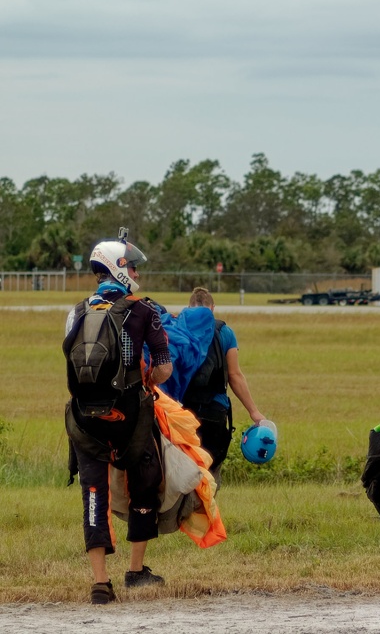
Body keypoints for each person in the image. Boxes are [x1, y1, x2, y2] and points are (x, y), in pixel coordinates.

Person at [63, 230, 173, 604]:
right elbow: (164, 370)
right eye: (134, 267)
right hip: (129, 420)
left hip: (84, 421)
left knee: (93, 495)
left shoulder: (76, 312)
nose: (138, 275)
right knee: (145, 484)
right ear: (119, 267)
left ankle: (99, 583)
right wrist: (143, 380)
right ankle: (136, 571)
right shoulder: (144, 311)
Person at [181, 287, 266, 483]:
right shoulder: (225, 332)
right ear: (212, 307)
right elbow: (235, 375)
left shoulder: (178, 327)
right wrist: (254, 412)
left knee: (183, 467)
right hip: (214, 411)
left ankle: (181, 511)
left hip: (182, 410)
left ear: (189, 306)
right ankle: (205, 509)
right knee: (210, 470)